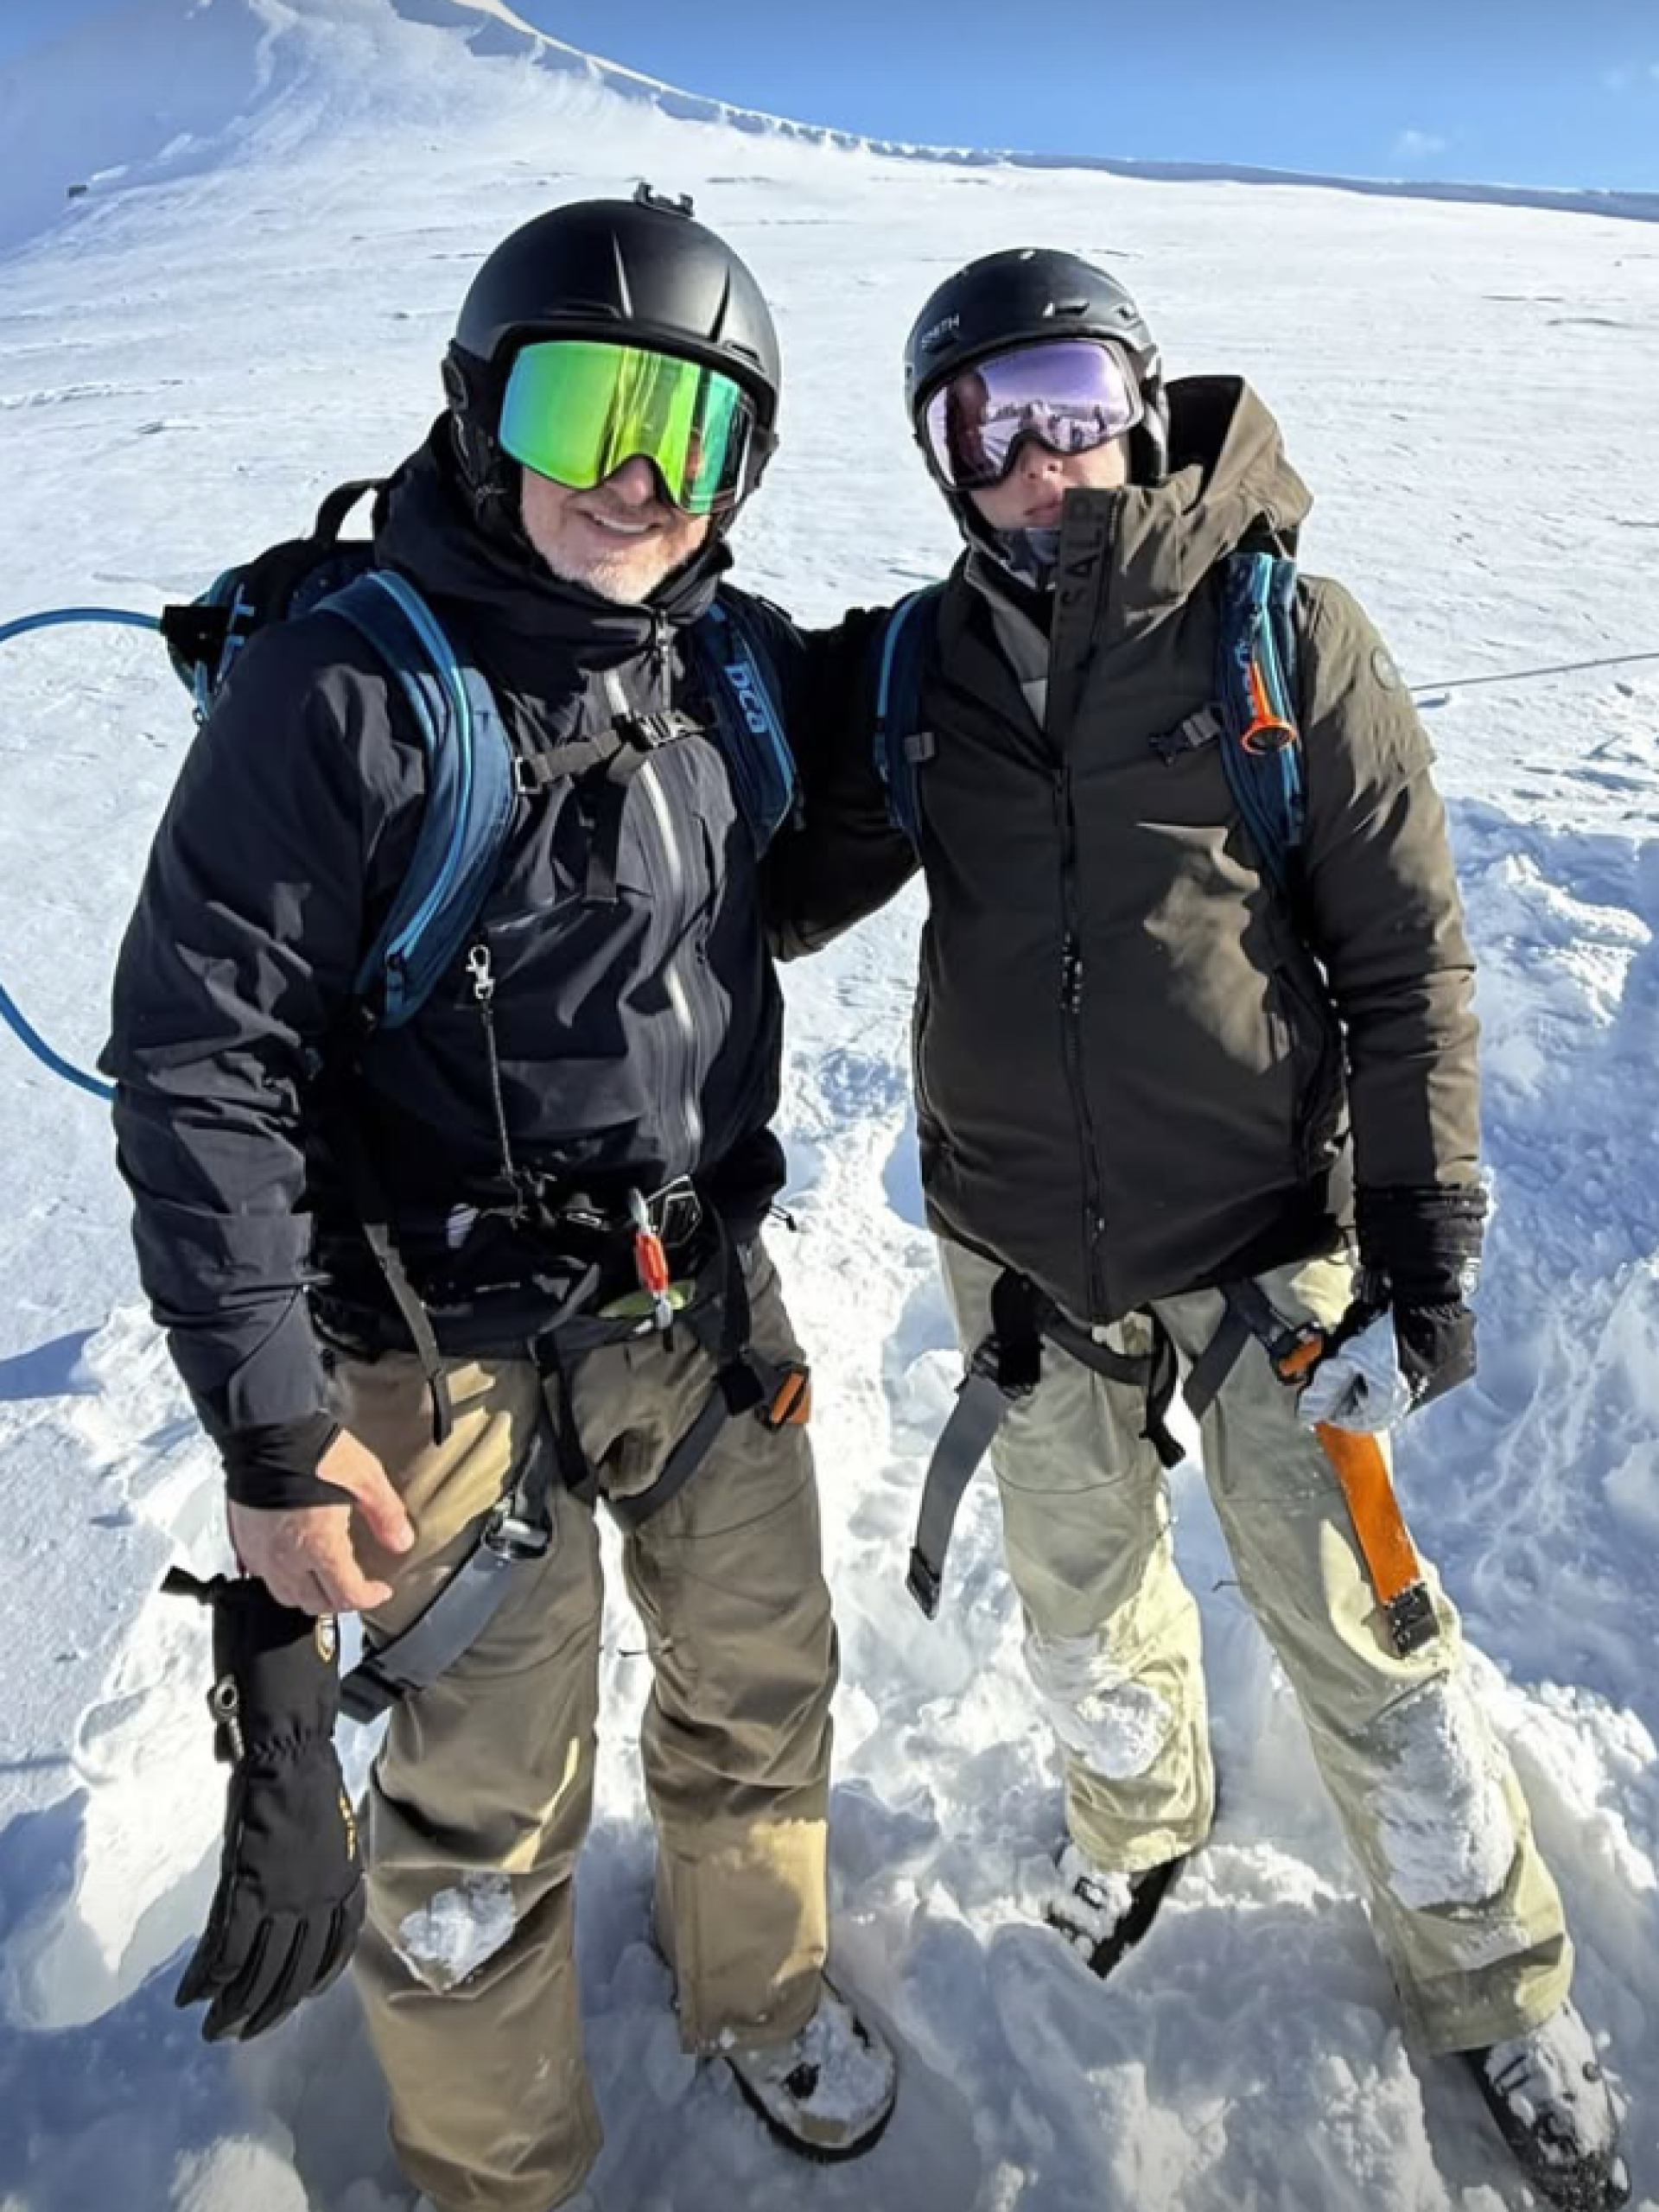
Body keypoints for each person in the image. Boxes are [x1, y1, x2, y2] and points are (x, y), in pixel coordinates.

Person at [775, 246, 1628, 2210]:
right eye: (985, 422)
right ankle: (1139, 1814)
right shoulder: (922, 670)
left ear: (1144, 402)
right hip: (1017, 1258)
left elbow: (1408, 960)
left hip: (1270, 1252)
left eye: (1074, 393)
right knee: (1079, 1604)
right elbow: (733, 831)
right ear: (943, 462)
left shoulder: (1281, 635)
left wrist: (1423, 1255)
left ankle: (1493, 1973)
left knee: (1369, 1623)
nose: (1042, 452)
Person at [103, 188, 897, 2212]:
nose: (638, 479)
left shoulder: (716, 663)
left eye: (695, 434)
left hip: (700, 1312)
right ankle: (500, 2167)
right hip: (430, 1362)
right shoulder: (349, 691)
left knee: (761, 1675)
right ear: (479, 415)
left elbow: (775, 869)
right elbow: (209, 1063)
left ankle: (757, 1979)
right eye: (589, 410)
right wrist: (276, 1438)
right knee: (474, 1811)